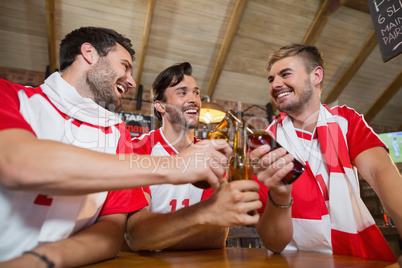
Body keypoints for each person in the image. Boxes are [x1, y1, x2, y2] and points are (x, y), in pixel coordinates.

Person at [0, 27, 231, 267]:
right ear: (89, 53)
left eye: (196, 93)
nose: (131, 81)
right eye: (124, 66)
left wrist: (44, 260)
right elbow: (18, 162)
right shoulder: (9, 94)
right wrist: (176, 165)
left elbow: (111, 233)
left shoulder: (118, 133)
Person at [250, 43, 402, 262]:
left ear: (316, 75)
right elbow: (274, 243)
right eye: (271, 79)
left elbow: (381, 174)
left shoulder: (347, 121)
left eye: (285, 74)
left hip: (355, 258)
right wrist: (281, 195)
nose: (275, 84)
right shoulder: (265, 144)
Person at [125, 62, 261, 251]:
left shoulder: (212, 153)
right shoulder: (138, 148)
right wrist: (203, 219)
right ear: (161, 106)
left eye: (196, 93)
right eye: (182, 93)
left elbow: (216, 236)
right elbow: (137, 235)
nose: (194, 100)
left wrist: (157, 237)